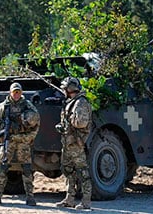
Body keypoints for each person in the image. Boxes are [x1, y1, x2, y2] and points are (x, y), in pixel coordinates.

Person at [0, 82, 40, 206]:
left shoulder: (28, 106)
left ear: (21, 93)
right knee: (3, 168)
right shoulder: (2, 107)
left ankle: (30, 197)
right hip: (8, 140)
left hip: (23, 141)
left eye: (18, 92)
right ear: (10, 93)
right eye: (14, 92)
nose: (16, 94)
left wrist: (28, 138)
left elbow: (36, 123)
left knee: (27, 169)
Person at [55, 77, 92, 210]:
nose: (63, 91)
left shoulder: (81, 103)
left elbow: (81, 123)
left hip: (76, 143)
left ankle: (86, 202)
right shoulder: (72, 102)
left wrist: (69, 123)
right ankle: (69, 199)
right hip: (68, 142)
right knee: (68, 171)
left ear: (69, 89)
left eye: (64, 89)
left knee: (82, 172)